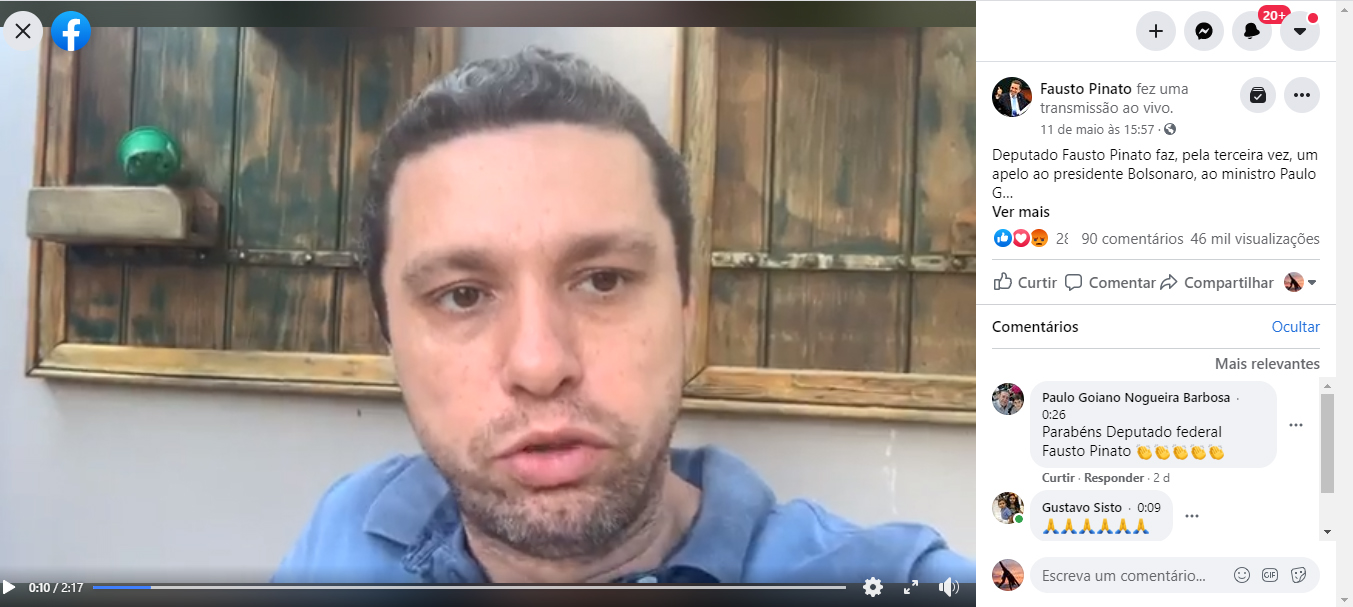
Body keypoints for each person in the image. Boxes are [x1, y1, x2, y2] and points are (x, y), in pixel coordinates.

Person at [270, 48, 975, 585]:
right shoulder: (352, 530)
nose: (540, 364)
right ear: (388, 334)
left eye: (602, 281)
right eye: (463, 295)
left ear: (686, 305)